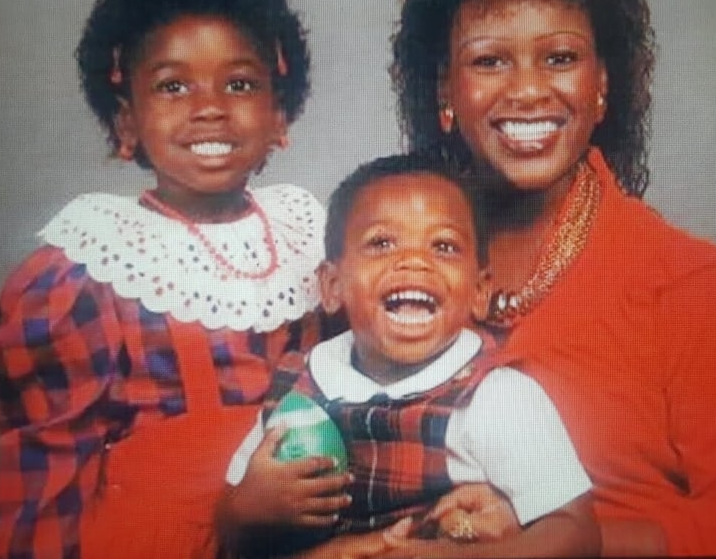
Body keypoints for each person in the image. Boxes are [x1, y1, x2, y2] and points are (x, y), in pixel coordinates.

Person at [390, 0, 716, 556]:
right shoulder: (395, 265)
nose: (527, 90)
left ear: (602, 85)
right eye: (489, 61)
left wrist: (546, 546)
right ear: (445, 90)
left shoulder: (688, 287)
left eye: (559, 57)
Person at [0, 0, 331, 559]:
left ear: (280, 114)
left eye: (240, 83)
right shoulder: (87, 273)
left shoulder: (316, 239)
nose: (209, 107)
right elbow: (45, 496)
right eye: (173, 85)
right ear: (127, 123)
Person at [217, 153, 600, 559]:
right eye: (381, 243)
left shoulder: (497, 397)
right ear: (332, 286)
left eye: (444, 246)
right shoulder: (299, 385)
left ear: (479, 292)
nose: (415, 261)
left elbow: (577, 535)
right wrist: (247, 509)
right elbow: (231, 531)